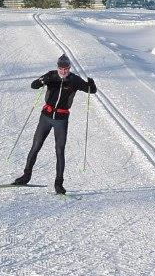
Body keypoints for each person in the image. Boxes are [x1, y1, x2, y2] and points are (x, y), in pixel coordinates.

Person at [13, 53, 97, 194]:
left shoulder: (74, 80)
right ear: (57, 67)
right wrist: (42, 81)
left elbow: (92, 91)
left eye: (66, 69)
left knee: (59, 151)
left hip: (61, 119)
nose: (63, 71)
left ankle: (59, 184)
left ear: (69, 68)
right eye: (61, 68)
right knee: (36, 146)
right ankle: (26, 176)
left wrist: (91, 83)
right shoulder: (51, 76)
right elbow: (34, 85)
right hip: (45, 117)